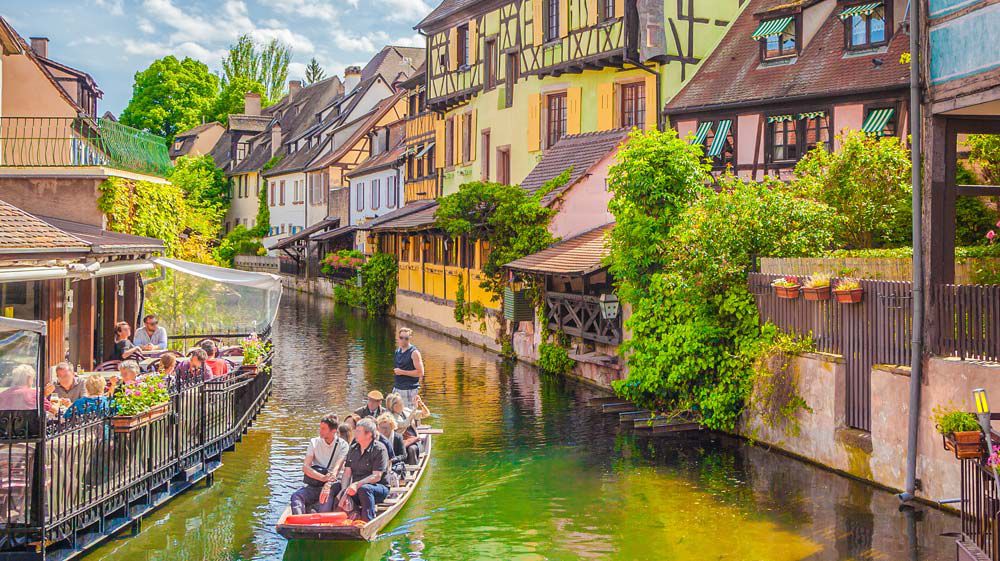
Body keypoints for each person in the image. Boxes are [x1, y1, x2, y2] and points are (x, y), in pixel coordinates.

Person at [331, 418, 389, 522]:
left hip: (377, 488)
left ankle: (367, 521)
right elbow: (347, 473)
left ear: (368, 434)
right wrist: (345, 491)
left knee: (365, 489)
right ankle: (334, 517)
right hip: (356, 488)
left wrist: (357, 484)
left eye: (358, 431)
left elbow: (376, 476)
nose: (355, 433)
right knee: (335, 487)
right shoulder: (353, 449)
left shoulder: (380, 449)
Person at [290, 414, 349, 515]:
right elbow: (305, 467)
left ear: (333, 431)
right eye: (320, 428)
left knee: (326, 496)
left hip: (333, 483)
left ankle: (320, 518)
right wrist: (322, 478)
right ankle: (300, 523)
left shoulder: (343, 445)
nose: (320, 431)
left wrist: (327, 483)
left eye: (323, 429)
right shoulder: (314, 442)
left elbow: (337, 468)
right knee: (296, 496)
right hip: (316, 482)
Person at [385, 393, 429, 465]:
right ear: (395, 406)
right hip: (397, 442)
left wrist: (421, 404)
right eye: (401, 403)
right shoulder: (389, 416)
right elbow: (404, 424)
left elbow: (426, 414)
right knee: (408, 449)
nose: (403, 404)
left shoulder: (406, 411)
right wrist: (414, 408)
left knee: (412, 449)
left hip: (411, 439)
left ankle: (413, 471)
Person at [392, 328, 423, 407]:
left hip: (410, 389)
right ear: (398, 338)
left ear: (410, 339)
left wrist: (402, 372)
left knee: (409, 415)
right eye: (401, 338)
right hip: (397, 388)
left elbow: (420, 373)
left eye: (406, 338)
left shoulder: (414, 353)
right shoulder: (397, 351)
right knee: (393, 413)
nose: (403, 340)